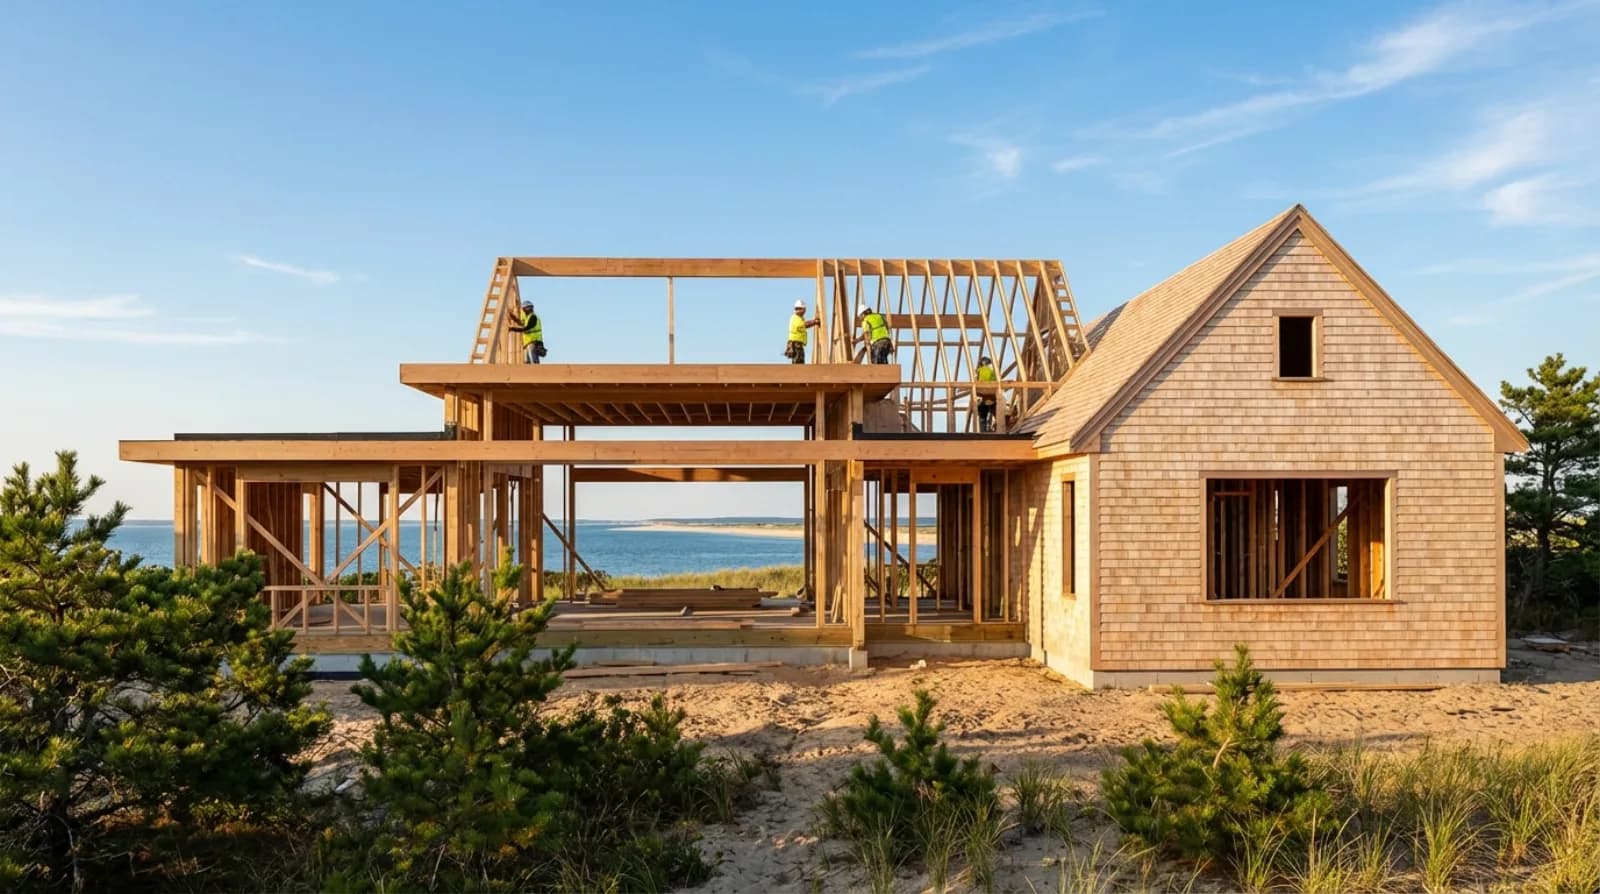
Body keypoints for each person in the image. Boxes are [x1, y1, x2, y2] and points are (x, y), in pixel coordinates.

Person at [976, 355, 998, 432]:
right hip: (992, 395)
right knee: (996, 413)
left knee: (982, 416)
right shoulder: (993, 370)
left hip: (983, 395)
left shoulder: (979, 370)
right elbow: (996, 380)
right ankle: (999, 430)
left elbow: (977, 383)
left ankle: (983, 432)